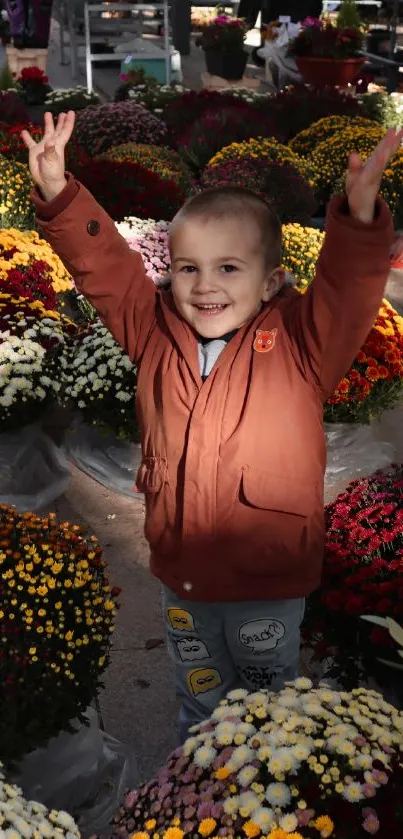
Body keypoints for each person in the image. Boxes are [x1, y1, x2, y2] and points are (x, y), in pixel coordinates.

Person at [23, 114, 402, 741]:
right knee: (198, 700)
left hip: (268, 581)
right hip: (186, 577)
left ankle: (255, 795)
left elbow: (347, 292)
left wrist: (359, 225)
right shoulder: (152, 330)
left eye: (229, 268)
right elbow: (106, 269)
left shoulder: (303, 345)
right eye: (189, 267)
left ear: (272, 280)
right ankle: (195, 785)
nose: (203, 286)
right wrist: (62, 194)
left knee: (264, 704)